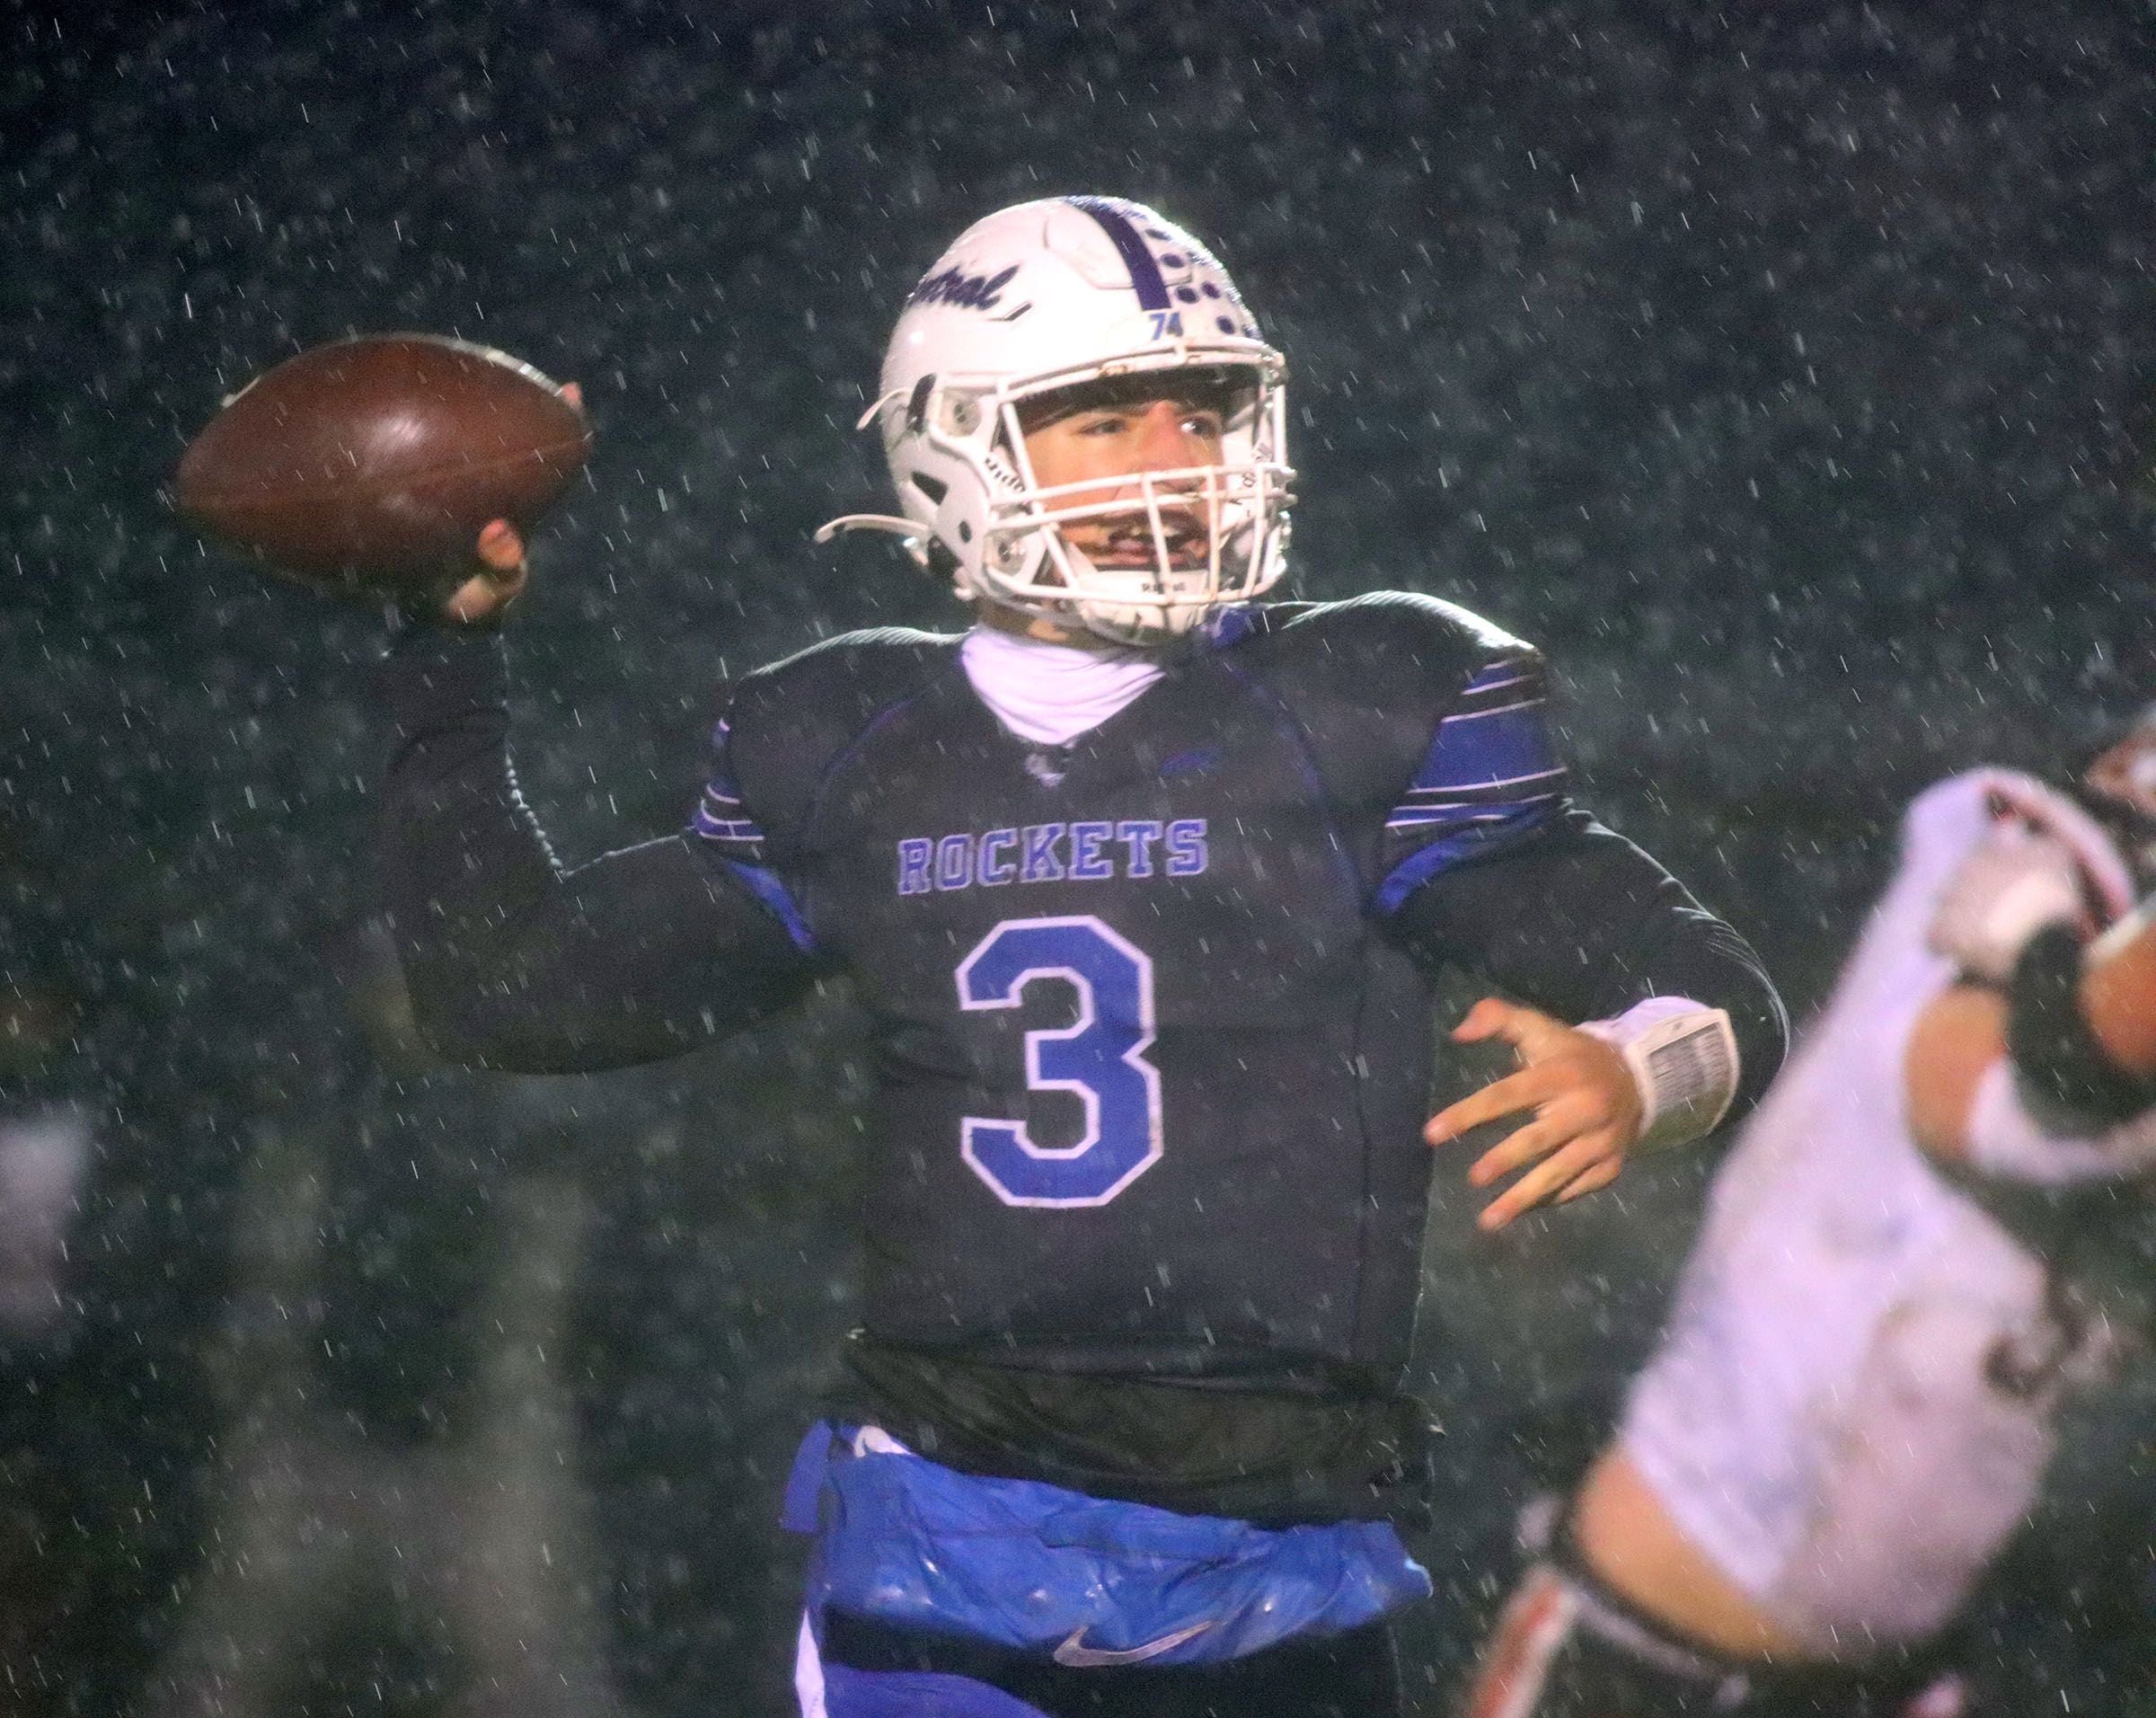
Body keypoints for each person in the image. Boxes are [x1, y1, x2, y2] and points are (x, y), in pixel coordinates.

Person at [378, 195, 1786, 1718]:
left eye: (1205, 412)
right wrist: (445, 657)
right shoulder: (851, 741)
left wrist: (1641, 1071)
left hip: (1283, 1544)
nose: (1176, 457)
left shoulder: (1365, 705)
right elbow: (506, 990)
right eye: (1106, 418)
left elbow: (1721, 994)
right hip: (946, 1540)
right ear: (954, 442)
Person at [1456, 753, 2156, 1718]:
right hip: (1658, 1643)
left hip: (1901, 1672)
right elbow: (2003, 1097)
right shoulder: (2046, 857)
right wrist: (2043, 949)